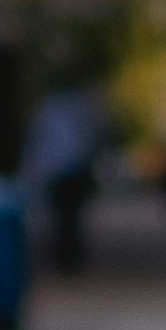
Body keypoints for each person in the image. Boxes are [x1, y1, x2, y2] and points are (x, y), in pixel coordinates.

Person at [23, 81, 103, 278]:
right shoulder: (79, 110)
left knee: (64, 217)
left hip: (59, 171)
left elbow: (38, 141)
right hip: (70, 171)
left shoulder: (50, 110)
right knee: (69, 217)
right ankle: (69, 256)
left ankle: (67, 256)